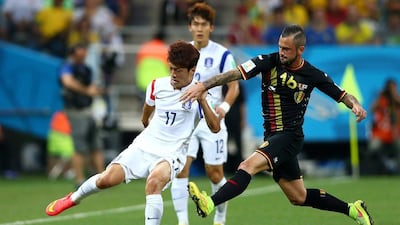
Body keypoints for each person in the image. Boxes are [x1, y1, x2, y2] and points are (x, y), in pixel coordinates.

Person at [181, 24, 374, 225]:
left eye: (287, 49)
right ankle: (353, 210)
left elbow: (342, 94)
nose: (281, 52)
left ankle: (209, 203)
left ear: (301, 50)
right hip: (272, 137)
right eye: (281, 47)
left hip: (289, 136)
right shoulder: (268, 61)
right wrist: (203, 85)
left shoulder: (313, 74)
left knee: (247, 166)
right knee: (299, 197)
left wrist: (356, 105)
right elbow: (234, 74)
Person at [45, 40, 221, 225]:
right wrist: (146, 122)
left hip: (173, 153)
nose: (173, 74)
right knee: (107, 179)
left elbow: (215, 127)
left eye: (178, 70)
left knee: (153, 183)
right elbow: (148, 109)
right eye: (171, 68)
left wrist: (201, 100)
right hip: (145, 145)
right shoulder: (157, 85)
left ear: (192, 70)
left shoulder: (200, 94)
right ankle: (73, 198)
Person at [170, 3, 239, 225]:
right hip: (187, 120)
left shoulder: (222, 54)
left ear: (211, 27)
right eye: (196, 24)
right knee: (181, 169)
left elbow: (234, 87)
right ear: (190, 27)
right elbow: (174, 83)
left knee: (215, 174)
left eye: (204, 24)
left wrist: (224, 108)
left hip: (212, 120)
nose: (199, 28)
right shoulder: (183, 53)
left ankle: (220, 217)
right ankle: (183, 222)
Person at [59, 43, 105, 187]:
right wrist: (87, 91)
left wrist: (95, 90)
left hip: (89, 109)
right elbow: (67, 82)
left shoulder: (86, 69)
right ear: (73, 53)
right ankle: (79, 178)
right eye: (81, 51)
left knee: (95, 144)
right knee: (80, 145)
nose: (84, 53)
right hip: (75, 110)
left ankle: (102, 177)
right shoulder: (67, 66)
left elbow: (91, 86)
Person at [368, 79, 400, 174]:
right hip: (381, 134)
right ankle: (380, 169)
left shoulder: (396, 100)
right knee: (373, 146)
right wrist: (380, 96)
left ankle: (397, 170)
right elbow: (372, 109)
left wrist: (394, 95)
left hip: (395, 134)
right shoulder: (381, 100)